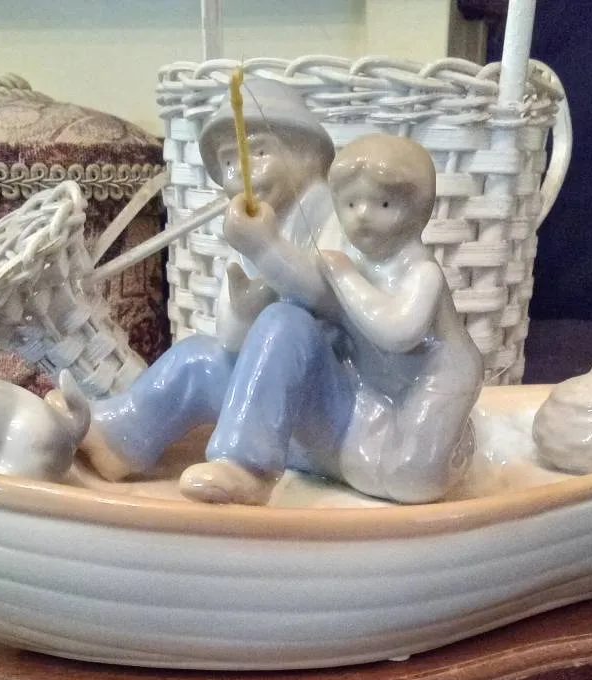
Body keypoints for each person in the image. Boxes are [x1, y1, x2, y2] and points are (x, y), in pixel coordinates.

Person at [175, 133, 483, 505]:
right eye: (350, 204)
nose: (362, 215)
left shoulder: (420, 271)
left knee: (411, 480)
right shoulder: (349, 259)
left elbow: (399, 331)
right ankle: (129, 440)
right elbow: (314, 294)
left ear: (418, 209)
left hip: (426, 389)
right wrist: (260, 274)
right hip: (363, 394)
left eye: (383, 203)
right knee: (274, 324)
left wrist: (344, 277)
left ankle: (448, 444)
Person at [74, 79, 339, 487]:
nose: (241, 175)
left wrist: (268, 251)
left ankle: (247, 466)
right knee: (197, 358)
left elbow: (333, 300)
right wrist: (243, 310)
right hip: (280, 411)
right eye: (229, 163)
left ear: (306, 151)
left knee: (286, 321)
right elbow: (231, 340)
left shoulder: (337, 217)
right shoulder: (253, 230)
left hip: (335, 408)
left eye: (259, 153)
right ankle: (118, 438)